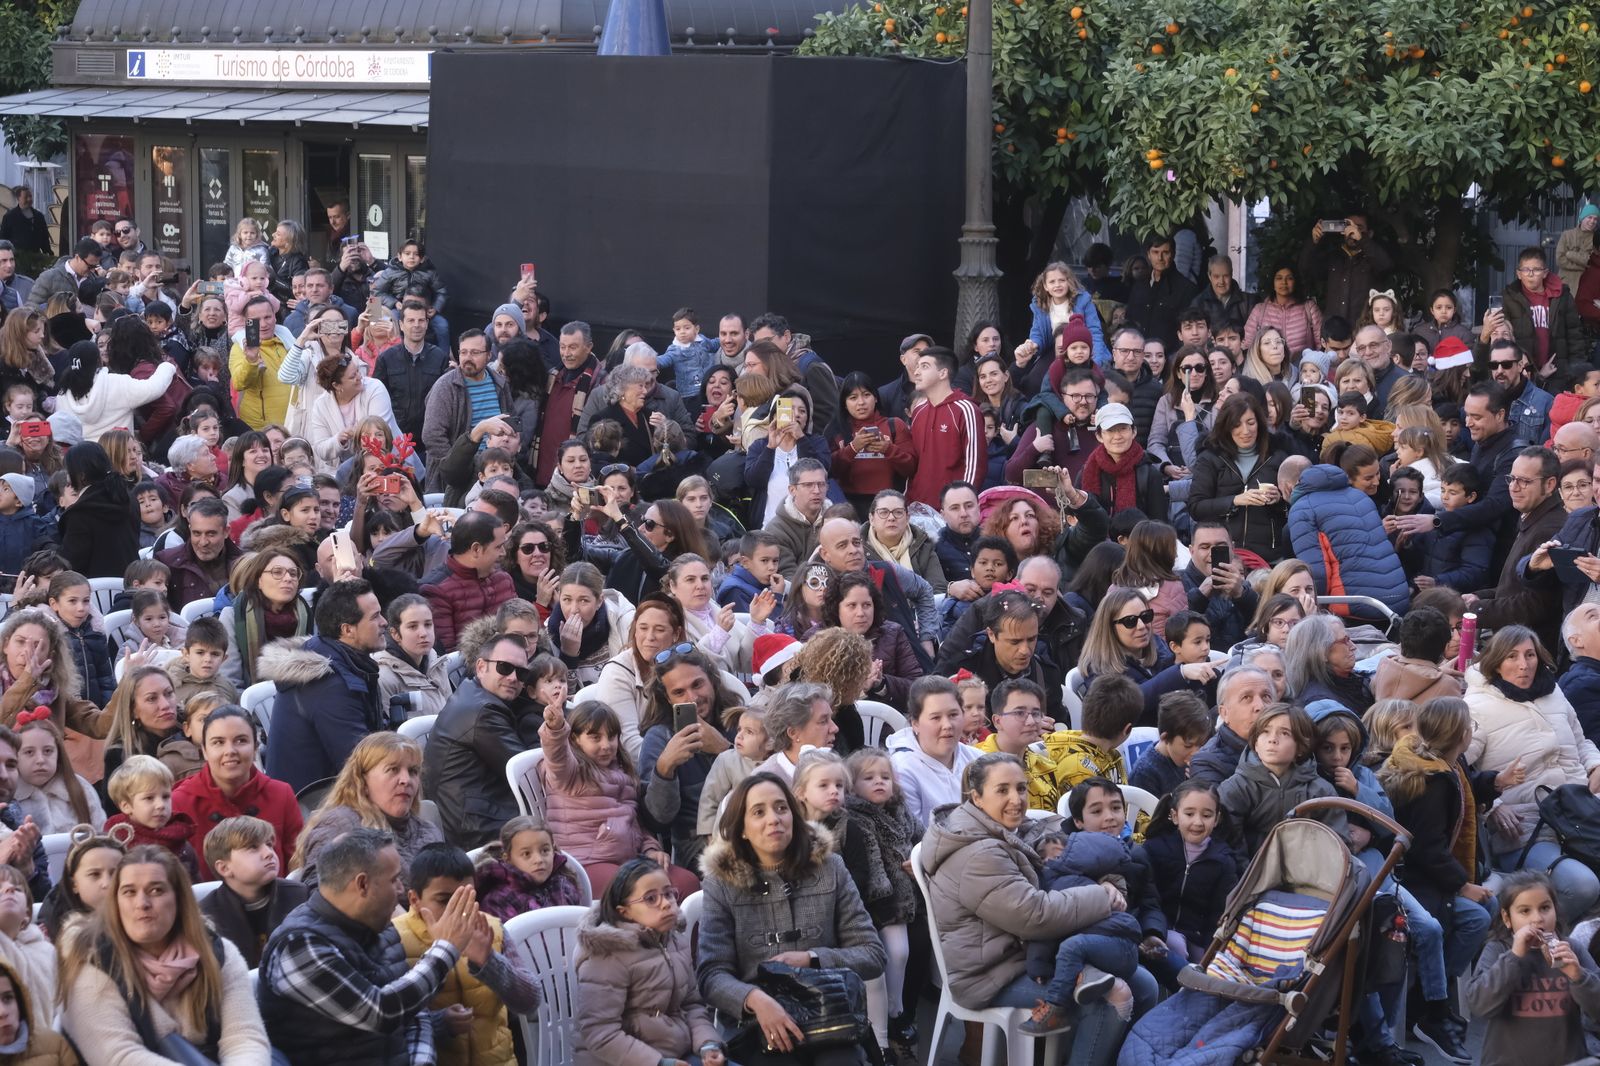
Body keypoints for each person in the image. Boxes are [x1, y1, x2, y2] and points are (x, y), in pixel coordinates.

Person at [922, 752, 1132, 1064]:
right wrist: (1102, 896)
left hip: (1027, 955)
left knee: (1143, 982)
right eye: (1002, 790)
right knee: (1114, 996)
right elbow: (1035, 916)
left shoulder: (1008, 830)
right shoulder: (978, 853)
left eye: (1021, 788)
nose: (1016, 799)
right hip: (992, 973)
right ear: (976, 797)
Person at [697, 772, 886, 1066]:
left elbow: (872, 954)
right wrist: (755, 1000)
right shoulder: (721, 884)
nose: (773, 819)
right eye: (758, 812)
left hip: (828, 1014)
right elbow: (711, 974)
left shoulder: (831, 867)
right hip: (757, 1023)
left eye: (781, 808)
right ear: (742, 828)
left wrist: (812, 958)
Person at [261, 826, 478, 1064]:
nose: (401, 890)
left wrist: (421, 1060)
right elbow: (381, 1012)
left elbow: (413, 1013)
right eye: (394, 879)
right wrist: (445, 949)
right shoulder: (299, 945)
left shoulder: (380, 927)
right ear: (362, 884)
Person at [1466, 625, 1600, 919]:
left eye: (1530, 655)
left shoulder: (1554, 692)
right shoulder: (1476, 706)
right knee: (1583, 886)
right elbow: (1458, 768)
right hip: (1526, 826)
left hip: (1581, 812)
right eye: (1512, 656)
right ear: (1496, 662)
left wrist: (1595, 764)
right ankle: (1533, 941)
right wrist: (1493, 806)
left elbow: (1582, 741)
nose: (1523, 664)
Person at [394, 844, 541, 1066]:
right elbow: (389, 1026)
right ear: (414, 899)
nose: (459, 910)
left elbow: (529, 1002)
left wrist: (488, 961)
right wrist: (438, 1024)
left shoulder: (491, 929)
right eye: (445, 900)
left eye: (467, 898)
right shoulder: (395, 938)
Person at [573, 856, 724, 1066]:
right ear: (624, 912)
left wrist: (707, 1044)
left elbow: (691, 1004)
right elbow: (600, 1033)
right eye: (651, 899)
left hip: (676, 1054)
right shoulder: (607, 955)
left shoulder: (674, 940)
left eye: (669, 894)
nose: (665, 904)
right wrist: (659, 1063)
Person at [261, 579, 388, 794]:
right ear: (348, 630)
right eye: (375, 617)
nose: (385, 622)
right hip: (312, 807)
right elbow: (361, 764)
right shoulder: (330, 686)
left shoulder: (333, 656)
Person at [1465, 870, 1600, 1066]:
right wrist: (1514, 956)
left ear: (1555, 909)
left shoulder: (1572, 950)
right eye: (1525, 911)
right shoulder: (1498, 950)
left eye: (1545, 907)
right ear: (1507, 918)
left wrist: (1578, 976)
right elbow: (1479, 1005)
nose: (1537, 918)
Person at [425, 631, 534, 848]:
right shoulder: (484, 711)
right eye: (504, 667)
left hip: (479, 811)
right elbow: (529, 775)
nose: (513, 677)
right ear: (481, 667)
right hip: (477, 829)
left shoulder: (473, 692)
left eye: (521, 673)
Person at [172, 704, 301, 872]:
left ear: (255, 747)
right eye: (218, 742)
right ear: (204, 750)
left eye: (241, 741)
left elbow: (297, 867)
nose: (230, 751)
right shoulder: (180, 803)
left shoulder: (281, 794)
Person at [1287, 461, 1410, 616]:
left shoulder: (1303, 509)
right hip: (1398, 596)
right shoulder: (1360, 496)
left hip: (1354, 602)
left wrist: (1316, 609)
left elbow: (1317, 570)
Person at [1481, 447, 1567, 654]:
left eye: (1524, 481)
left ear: (1550, 485)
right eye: (1511, 478)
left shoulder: (1550, 529)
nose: (1513, 487)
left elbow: (1537, 604)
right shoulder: (1532, 515)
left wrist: (1478, 610)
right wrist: (1477, 597)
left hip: (1530, 653)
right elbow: (1512, 587)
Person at [1189, 393, 1289, 562]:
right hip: (1223, 552)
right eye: (1236, 424)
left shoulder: (1278, 455)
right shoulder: (1210, 456)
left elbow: (1294, 504)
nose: (1246, 431)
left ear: (1260, 423)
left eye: (1251, 423)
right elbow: (1196, 507)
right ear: (1226, 426)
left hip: (1269, 554)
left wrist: (1279, 499)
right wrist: (1235, 500)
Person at [887, 676, 983, 825]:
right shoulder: (902, 770)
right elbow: (916, 836)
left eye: (953, 715)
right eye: (936, 718)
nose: (947, 725)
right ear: (915, 723)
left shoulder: (979, 760)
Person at [1500, 246, 1586, 392]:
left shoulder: (1562, 296)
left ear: (1545, 273)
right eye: (1526, 270)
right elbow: (1503, 336)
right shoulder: (1509, 297)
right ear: (1518, 274)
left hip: (1557, 370)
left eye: (1536, 270)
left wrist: (1576, 370)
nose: (1531, 274)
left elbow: (1574, 335)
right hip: (1523, 370)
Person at [1187, 665, 1275, 785]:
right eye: (1246, 698)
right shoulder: (1207, 763)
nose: (1260, 706)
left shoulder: (1292, 743)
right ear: (1224, 713)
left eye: (1266, 696)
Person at [372, 594, 454, 721]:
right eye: (412, 626)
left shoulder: (436, 662)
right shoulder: (383, 676)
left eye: (428, 624)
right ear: (395, 634)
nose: (423, 633)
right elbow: (391, 735)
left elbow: (451, 712)